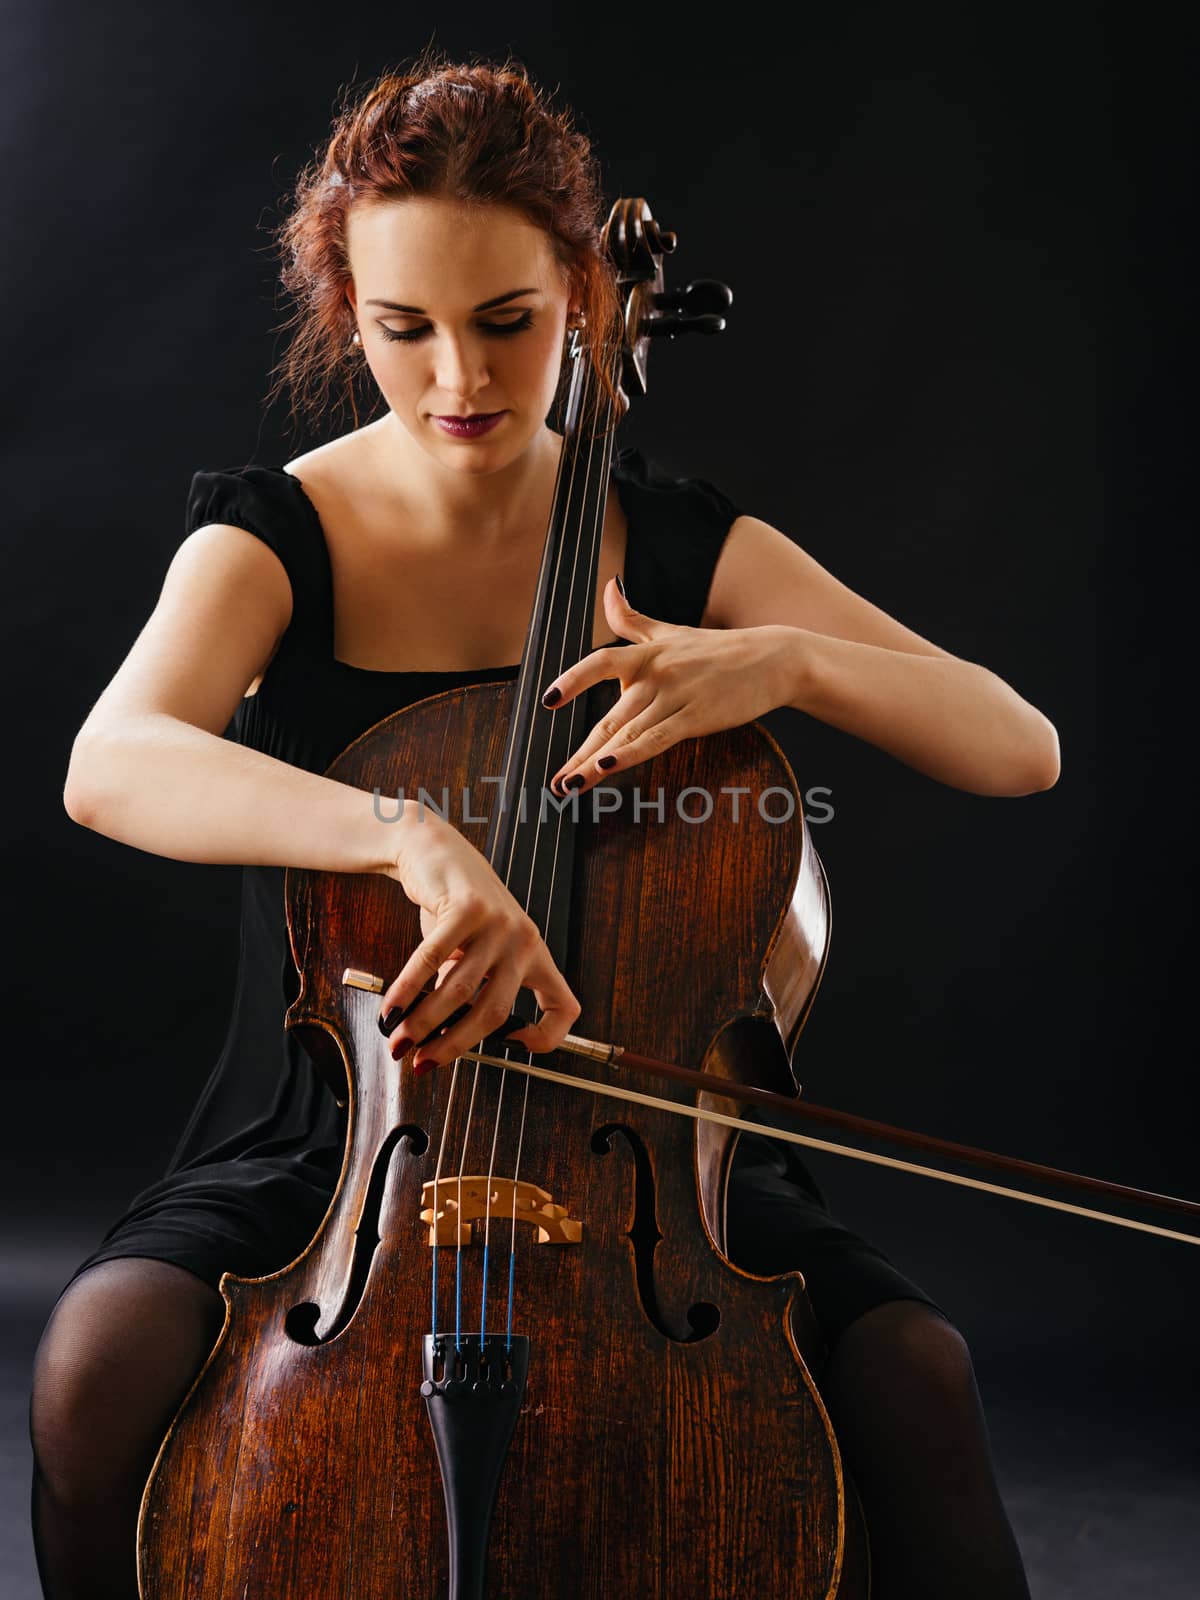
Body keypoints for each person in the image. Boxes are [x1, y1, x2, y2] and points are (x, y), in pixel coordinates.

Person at [30, 54, 1056, 1600]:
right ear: (347, 317)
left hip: (653, 1163)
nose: (460, 380)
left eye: (507, 322)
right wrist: (412, 838)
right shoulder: (275, 536)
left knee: (916, 1373)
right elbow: (112, 761)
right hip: (345, 1136)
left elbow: (1018, 748)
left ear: (583, 291)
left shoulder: (689, 546)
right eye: (405, 331)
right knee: (97, 1356)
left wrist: (782, 657)